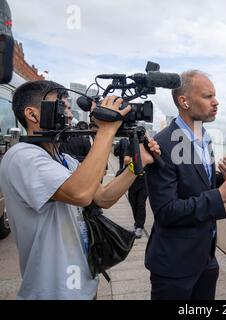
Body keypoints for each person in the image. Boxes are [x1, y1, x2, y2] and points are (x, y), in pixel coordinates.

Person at [0, 80, 160, 299]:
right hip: (52, 293)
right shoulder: (21, 156)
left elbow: (102, 197)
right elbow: (80, 194)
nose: (68, 114)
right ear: (33, 114)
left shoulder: (64, 159)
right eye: (62, 106)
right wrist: (106, 129)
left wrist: (136, 164)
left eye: (68, 106)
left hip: (82, 284)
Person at [145, 70, 226, 300]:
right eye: (208, 96)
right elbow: (166, 211)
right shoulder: (162, 145)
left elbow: (194, 184)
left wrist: (221, 179)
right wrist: (219, 196)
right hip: (175, 266)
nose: (216, 102)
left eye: (215, 96)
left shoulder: (203, 138)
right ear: (184, 101)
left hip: (206, 259)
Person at [114, 137, 148, 238]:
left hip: (145, 179)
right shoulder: (131, 146)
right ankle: (136, 223)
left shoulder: (148, 146)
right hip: (132, 179)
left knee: (141, 203)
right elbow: (126, 160)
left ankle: (139, 226)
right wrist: (140, 159)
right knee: (133, 202)